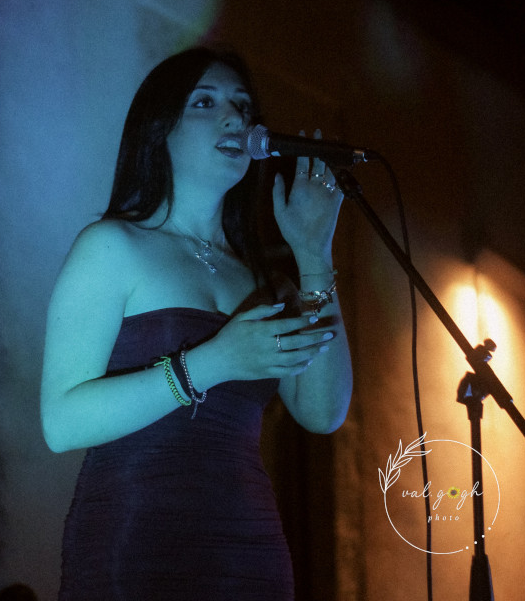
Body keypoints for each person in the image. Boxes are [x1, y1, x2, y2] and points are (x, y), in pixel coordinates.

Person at [40, 47, 352, 600]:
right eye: (205, 102)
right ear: (159, 129)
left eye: (243, 105)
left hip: (249, 551)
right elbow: (62, 422)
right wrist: (212, 363)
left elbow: (322, 413)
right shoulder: (112, 247)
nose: (235, 117)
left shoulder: (266, 281)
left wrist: (313, 254)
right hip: (137, 546)